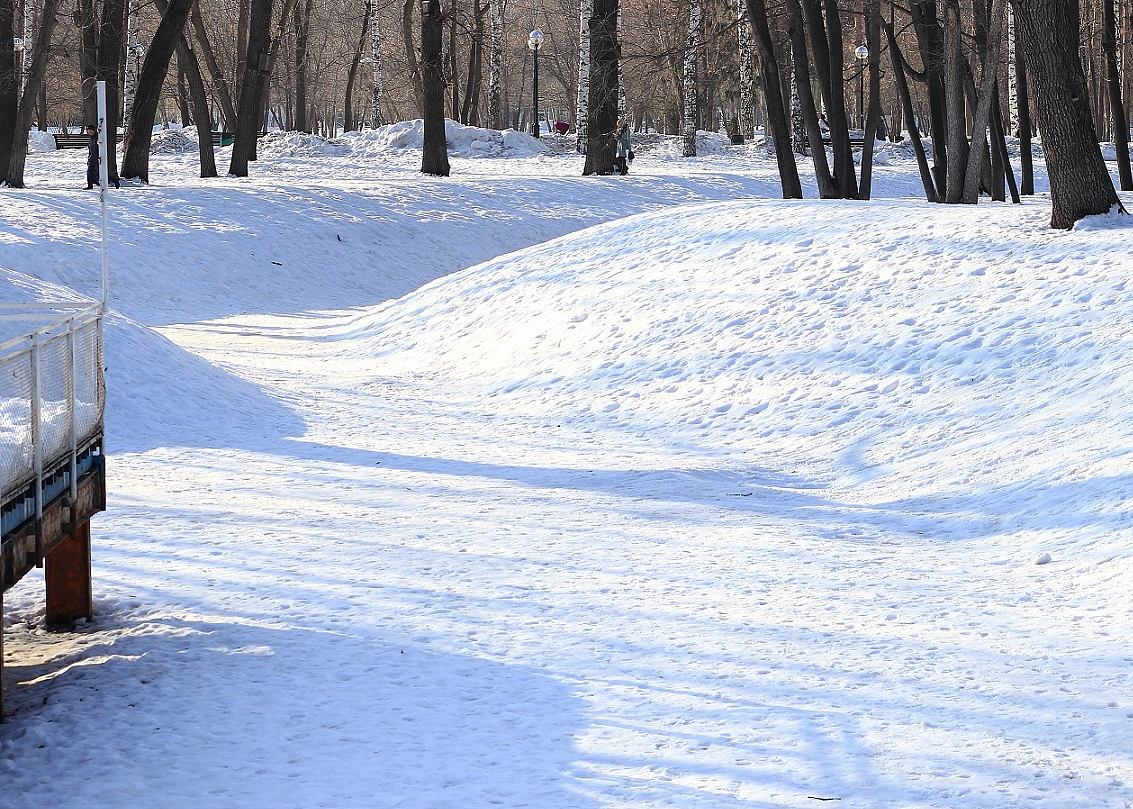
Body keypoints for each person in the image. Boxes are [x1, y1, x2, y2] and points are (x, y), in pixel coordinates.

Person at [85, 124, 120, 189]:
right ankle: (90, 185)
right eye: (88, 130)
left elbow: (99, 148)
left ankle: (114, 180)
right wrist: (89, 158)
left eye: (90, 130)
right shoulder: (91, 139)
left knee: (99, 172)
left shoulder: (97, 138)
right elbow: (90, 150)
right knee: (92, 172)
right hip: (92, 158)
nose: (88, 132)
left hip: (97, 158)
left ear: (94, 131)